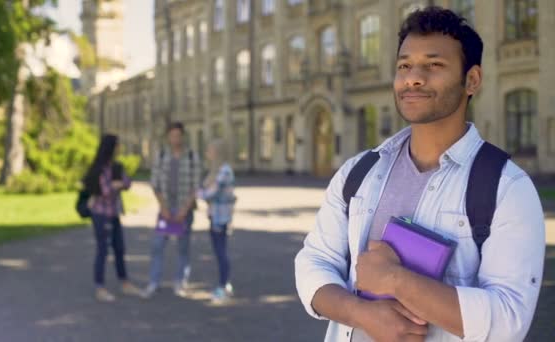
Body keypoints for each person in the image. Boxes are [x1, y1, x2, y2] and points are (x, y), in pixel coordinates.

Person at [295, 7, 545, 342]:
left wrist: (396, 280)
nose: (414, 77)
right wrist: (362, 314)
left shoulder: (506, 188)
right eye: (404, 66)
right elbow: (314, 263)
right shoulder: (359, 173)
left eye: (434, 65)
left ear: (472, 80)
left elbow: (509, 319)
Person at [143, 122, 202, 298]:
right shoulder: (161, 155)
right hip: (166, 209)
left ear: (182, 136)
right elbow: (155, 184)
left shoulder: (192, 156)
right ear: (168, 137)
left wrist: (185, 209)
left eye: (178, 135)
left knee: (183, 247)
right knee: (158, 245)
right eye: (172, 135)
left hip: (185, 210)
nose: (175, 139)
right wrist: (163, 208)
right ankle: (154, 282)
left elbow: (196, 185)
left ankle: (180, 281)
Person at [83, 134, 142, 302]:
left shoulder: (116, 167)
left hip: (114, 213)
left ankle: (124, 282)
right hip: (101, 214)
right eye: (117, 146)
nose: (119, 149)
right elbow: (103, 191)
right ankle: (99, 286)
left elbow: (128, 183)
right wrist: (115, 186)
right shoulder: (98, 169)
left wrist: (118, 184)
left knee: (120, 248)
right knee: (103, 250)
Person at [197, 139, 236, 303]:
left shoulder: (224, 171)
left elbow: (211, 193)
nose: (207, 153)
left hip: (221, 217)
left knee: (221, 252)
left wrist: (197, 193)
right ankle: (224, 284)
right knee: (219, 251)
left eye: (210, 150)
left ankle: (222, 286)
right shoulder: (217, 170)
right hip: (215, 215)